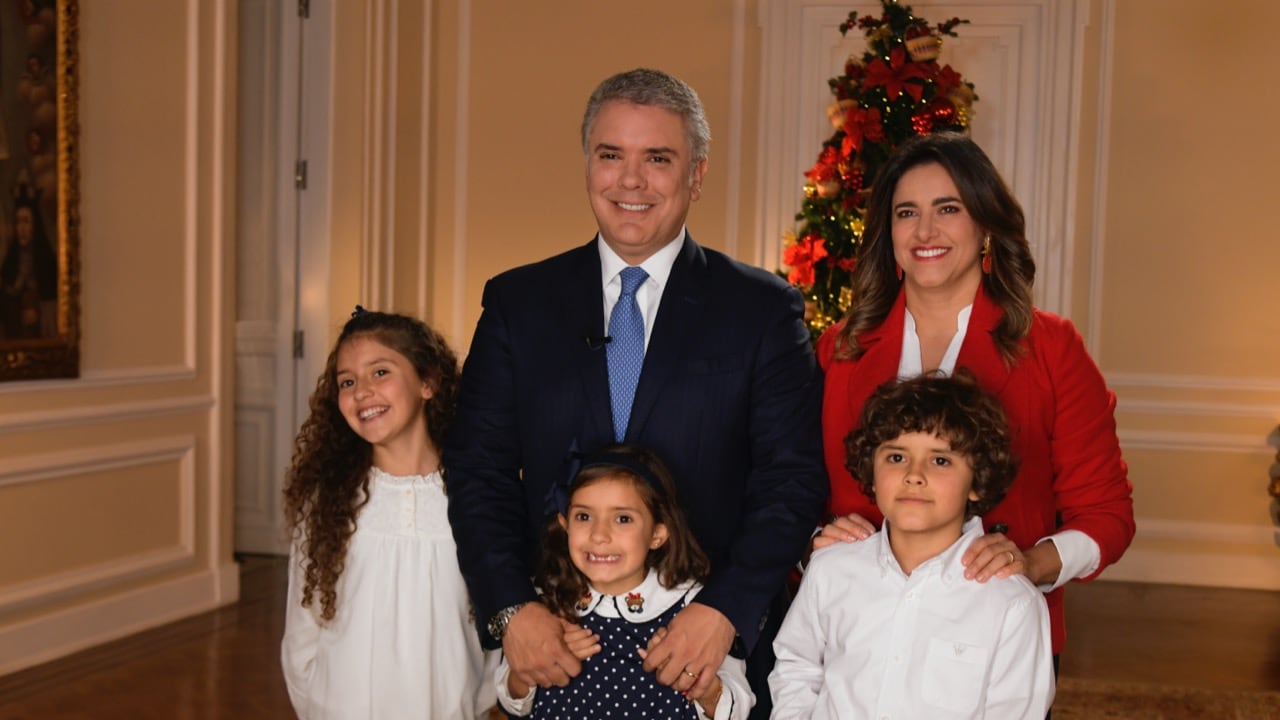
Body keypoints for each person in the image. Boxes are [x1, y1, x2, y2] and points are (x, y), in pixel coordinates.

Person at [445, 67, 827, 719]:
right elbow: (478, 470)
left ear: (696, 175)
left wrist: (726, 613)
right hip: (554, 648)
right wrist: (513, 610)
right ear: (587, 165)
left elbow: (790, 481)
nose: (631, 180)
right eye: (610, 155)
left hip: (709, 661)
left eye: (657, 158)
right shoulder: (517, 304)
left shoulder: (762, 310)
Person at [814, 132, 1135, 659]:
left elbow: (1107, 516)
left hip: (995, 642)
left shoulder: (1052, 349)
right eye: (906, 213)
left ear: (985, 223)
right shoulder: (839, 349)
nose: (925, 231)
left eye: (949, 208)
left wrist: (1031, 564)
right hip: (856, 636)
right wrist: (813, 539)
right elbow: (793, 489)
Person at [771, 372, 1055, 719]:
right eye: (896, 457)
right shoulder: (831, 570)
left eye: (940, 460)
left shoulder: (1012, 605)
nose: (914, 475)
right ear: (872, 474)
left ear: (977, 481)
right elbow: (796, 668)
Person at [280, 308, 496, 720]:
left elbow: (496, 628)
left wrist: (478, 705)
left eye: (380, 372)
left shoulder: (477, 500)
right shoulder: (328, 506)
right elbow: (301, 634)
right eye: (347, 382)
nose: (362, 391)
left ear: (428, 382)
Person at [496, 445, 755, 719]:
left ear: (657, 534)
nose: (599, 535)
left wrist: (700, 684)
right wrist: (534, 668)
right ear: (565, 524)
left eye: (622, 519)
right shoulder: (544, 601)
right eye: (584, 516)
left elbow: (735, 710)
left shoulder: (696, 607)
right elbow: (512, 699)